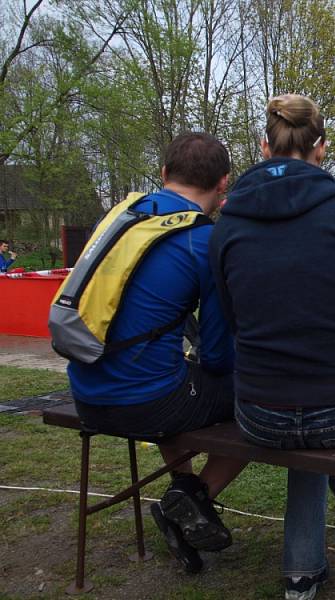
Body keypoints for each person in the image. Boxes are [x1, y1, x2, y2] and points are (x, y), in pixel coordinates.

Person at [210, 94, 335, 600]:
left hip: (260, 410)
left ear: (264, 147)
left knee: (308, 426)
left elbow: (228, 318)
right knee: (324, 425)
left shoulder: (227, 225)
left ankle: (305, 572)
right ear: (322, 149)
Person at [67, 133, 247, 574]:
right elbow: (220, 353)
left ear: (164, 175)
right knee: (267, 403)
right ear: (224, 184)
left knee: (173, 382)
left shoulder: (122, 218)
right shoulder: (205, 241)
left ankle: (186, 503)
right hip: (146, 405)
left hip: (85, 392)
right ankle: (188, 503)